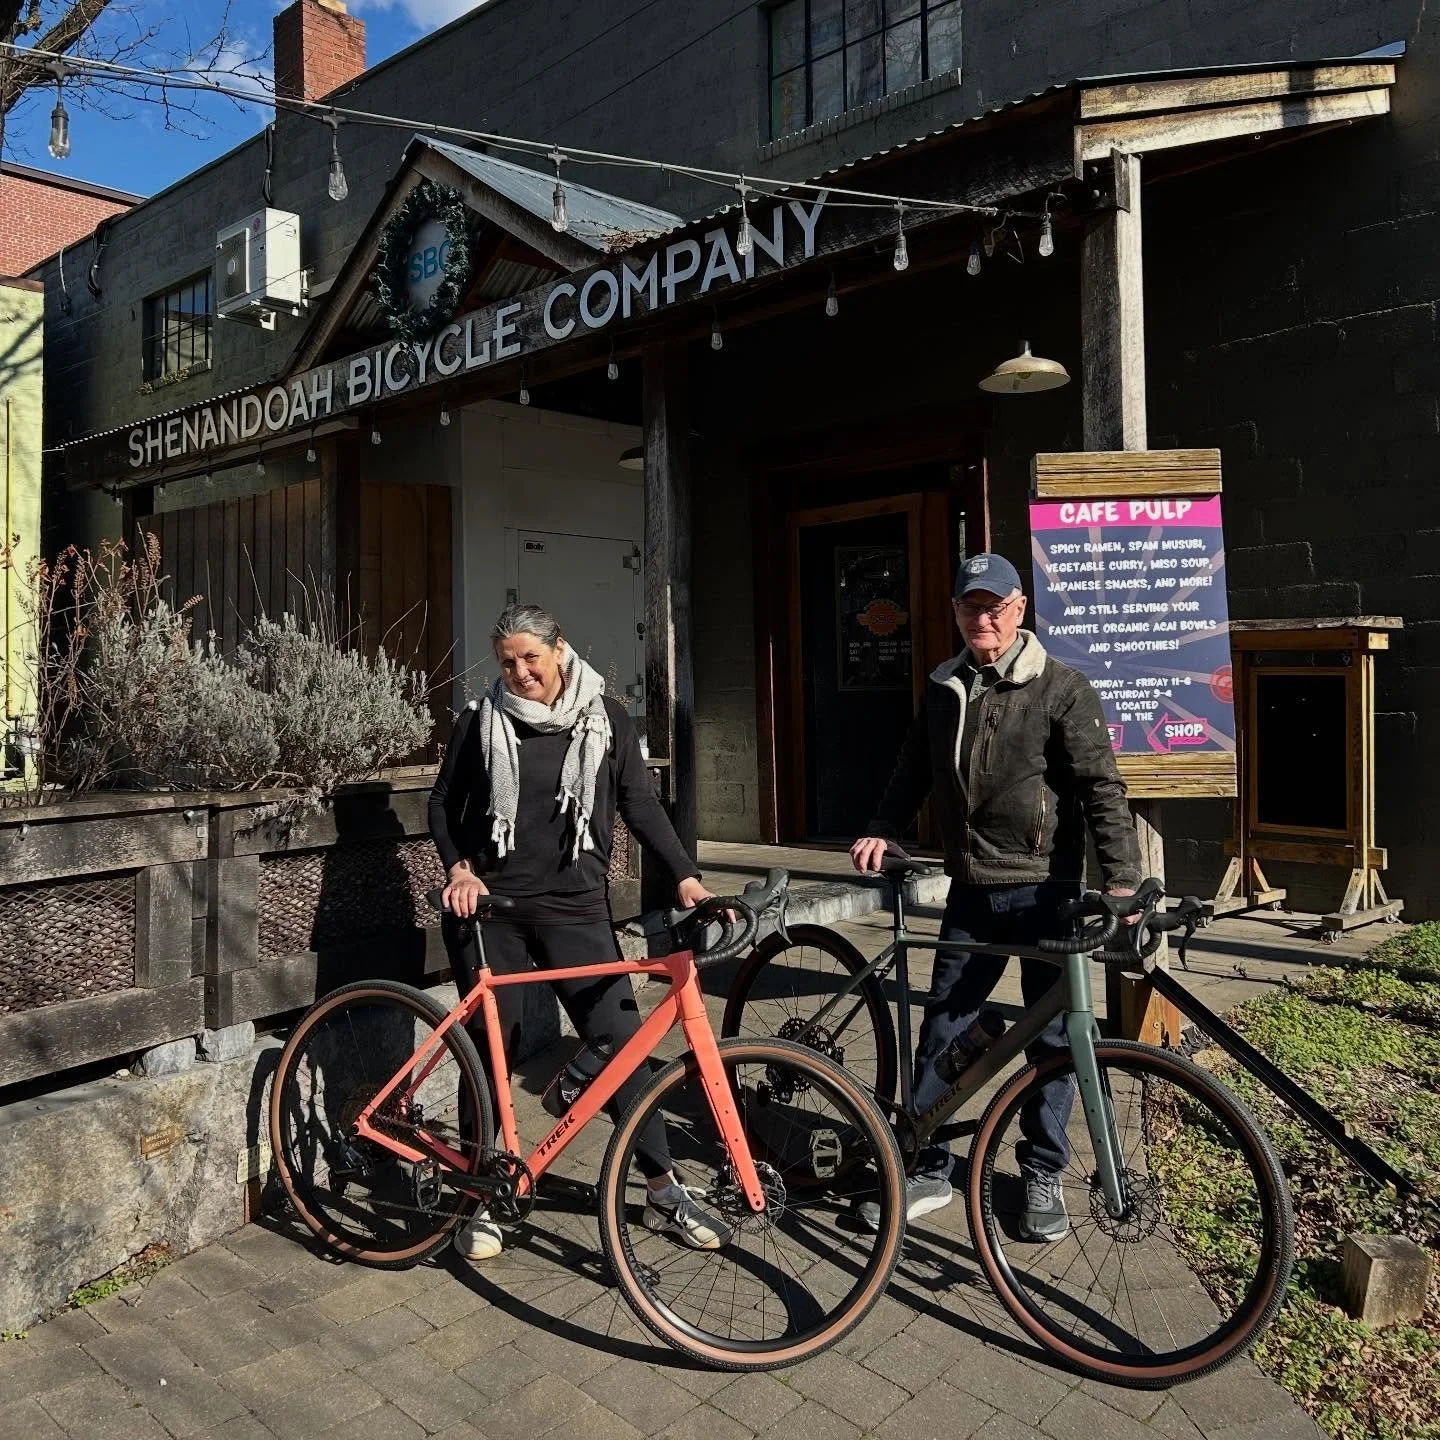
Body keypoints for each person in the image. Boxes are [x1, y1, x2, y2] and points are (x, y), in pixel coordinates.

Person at [851, 553, 1141, 1241]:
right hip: (972, 888)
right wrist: (881, 825)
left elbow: (1102, 788)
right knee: (946, 1022)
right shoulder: (945, 685)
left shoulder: (1061, 688)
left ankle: (1042, 1170)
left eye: (994, 606)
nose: (982, 618)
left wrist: (1121, 879)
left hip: (1048, 888)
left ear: (1018, 610)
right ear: (955, 612)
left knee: (1051, 1035)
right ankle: (927, 1160)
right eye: (968, 606)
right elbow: (914, 765)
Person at [429, 602, 728, 1262]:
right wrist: (458, 868)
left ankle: (662, 1187)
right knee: (492, 1054)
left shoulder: (604, 717)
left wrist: (684, 876)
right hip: (494, 910)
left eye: (531, 657)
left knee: (620, 1040)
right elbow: (444, 805)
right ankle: (484, 1194)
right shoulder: (481, 720)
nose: (520, 672)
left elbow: (639, 805)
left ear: (559, 649)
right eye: (508, 662)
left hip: (575, 907)